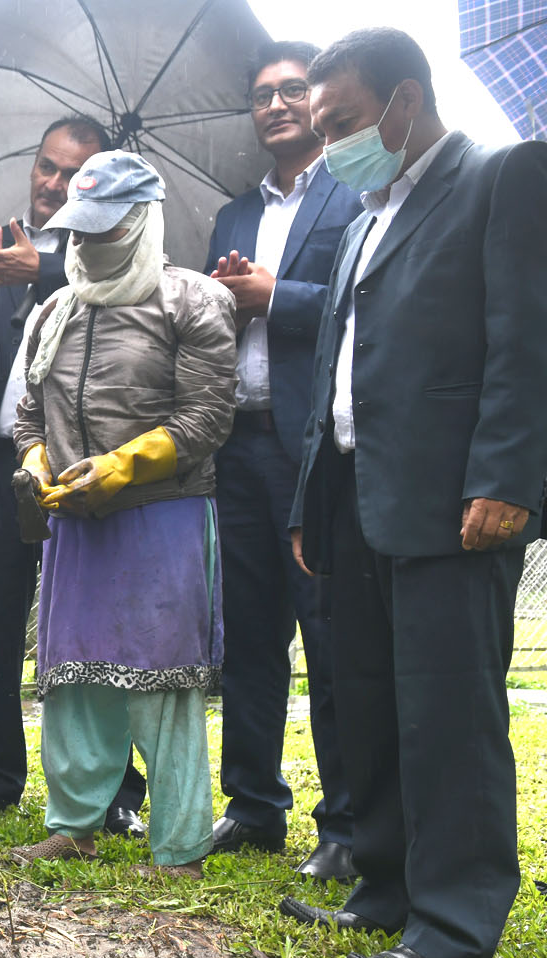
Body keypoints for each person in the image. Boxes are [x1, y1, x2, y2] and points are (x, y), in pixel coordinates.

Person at [280, 29, 547, 958]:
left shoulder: (501, 177)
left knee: (447, 711)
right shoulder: (361, 214)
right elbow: (332, 371)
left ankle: (455, 924)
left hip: (451, 496)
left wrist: (507, 476)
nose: (329, 143)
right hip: (353, 493)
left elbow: (525, 338)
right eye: (322, 128)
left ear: (405, 100)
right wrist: (314, 494)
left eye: (343, 121)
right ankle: (384, 889)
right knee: (366, 701)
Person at [6, 152, 236, 877]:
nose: (86, 244)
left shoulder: (192, 301)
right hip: (72, 521)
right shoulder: (54, 310)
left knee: (163, 679)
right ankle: (74, 823)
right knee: (71, 677)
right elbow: (27, 412)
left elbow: (206, 417)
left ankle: (179, 845)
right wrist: (40, 462)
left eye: (104, 229)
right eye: (79, 229)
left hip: (159, 513)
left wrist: (120, 466)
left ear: (141, 223)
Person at [0, 115, 150, 831]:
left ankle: (115, 791)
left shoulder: (110, 245)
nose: (55, 183)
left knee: (90, 636)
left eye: (72, 173)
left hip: (80, 470)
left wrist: (45, 268)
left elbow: (132, 298)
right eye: (47, 168)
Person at [203, 43, 360, 879]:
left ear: (318, 100)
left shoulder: (354, 194)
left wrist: (276, 299)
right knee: (249, 636)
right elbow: (206, 311)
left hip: (314, 449)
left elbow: (368, 297)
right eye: (262, 94)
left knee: (326, 631)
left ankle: (344, 826)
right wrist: (223, 300)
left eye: (292, 90)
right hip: (238, 443)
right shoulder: (233, 215)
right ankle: (254, 807)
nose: (277, 105)